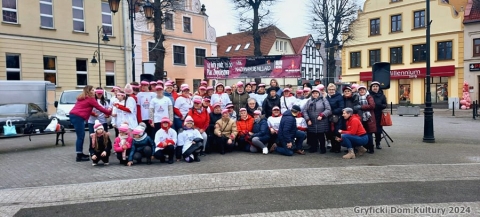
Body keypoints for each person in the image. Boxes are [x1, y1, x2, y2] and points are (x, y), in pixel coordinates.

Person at [69, 85, 112, 162]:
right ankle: (79, 156)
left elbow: (85, 108)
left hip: (74, 116)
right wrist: (109, 112)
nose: (94, 91)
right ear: (88, 91)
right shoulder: (90, 99)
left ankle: (80, 153)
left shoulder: (83, 97)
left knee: (80, 136)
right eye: (92, 90)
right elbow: (100, 108)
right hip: (78, 117)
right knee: (80, 136)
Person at [303, 86, 332, 154]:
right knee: (313, 135)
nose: (315, 94)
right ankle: (314, 148)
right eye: (313, 93)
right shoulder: (309, 101)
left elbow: (328, 109)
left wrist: (322, 115)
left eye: (316, 93)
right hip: (312, 121)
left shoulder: (323, 100)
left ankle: (322, 148)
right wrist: (307, 119)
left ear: (319, 93)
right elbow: (305, 111)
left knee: (321, 135)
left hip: (321, 121)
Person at [355, 85, 377, 154]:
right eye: (360, 90)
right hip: (360, 118)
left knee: (369, 134)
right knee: (362, 133)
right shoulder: (357, 97)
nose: (362, 91)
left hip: (369, 118)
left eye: (363, 89)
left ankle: (371, 148)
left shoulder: (369, 97)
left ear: (366, 90)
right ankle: (365, 147)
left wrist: (361, 107)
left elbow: (372, 106)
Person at [326, 83, 345, 153]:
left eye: (333, 89)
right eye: (330, 89)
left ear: (335, 90)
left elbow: (341, 107)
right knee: (330, 132)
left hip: (337, 117)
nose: (331, 91)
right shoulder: (326, 97)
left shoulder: (339, 97)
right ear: (327, 90)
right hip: (329, 118)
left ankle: (337, 147)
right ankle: (333, 146)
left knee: (337, 132)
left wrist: (332, 111)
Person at [369, 81, 387, 149]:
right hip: (370, 115)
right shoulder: (368, 95)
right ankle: (370, 144)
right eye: (373, 86)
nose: (375, 88)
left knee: (378, 131)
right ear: (371, 87)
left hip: (378, 115)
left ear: (379, 87)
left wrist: (380, 105)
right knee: (369, 130)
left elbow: (385, 105)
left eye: (376, 86)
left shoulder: (382, 95)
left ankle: (378, 143)